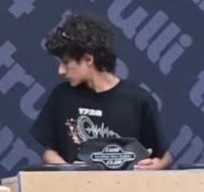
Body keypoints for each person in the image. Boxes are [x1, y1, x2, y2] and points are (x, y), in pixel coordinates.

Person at [31, 13, 172, 169]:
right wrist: (69, 171)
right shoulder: (61, 97)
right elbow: (49, 151)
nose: (61, 71)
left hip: (125, 191)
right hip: (75, 191)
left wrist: (155, 165)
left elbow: (164, 156)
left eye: (66, 63)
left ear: (88, 59)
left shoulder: (139, 100)